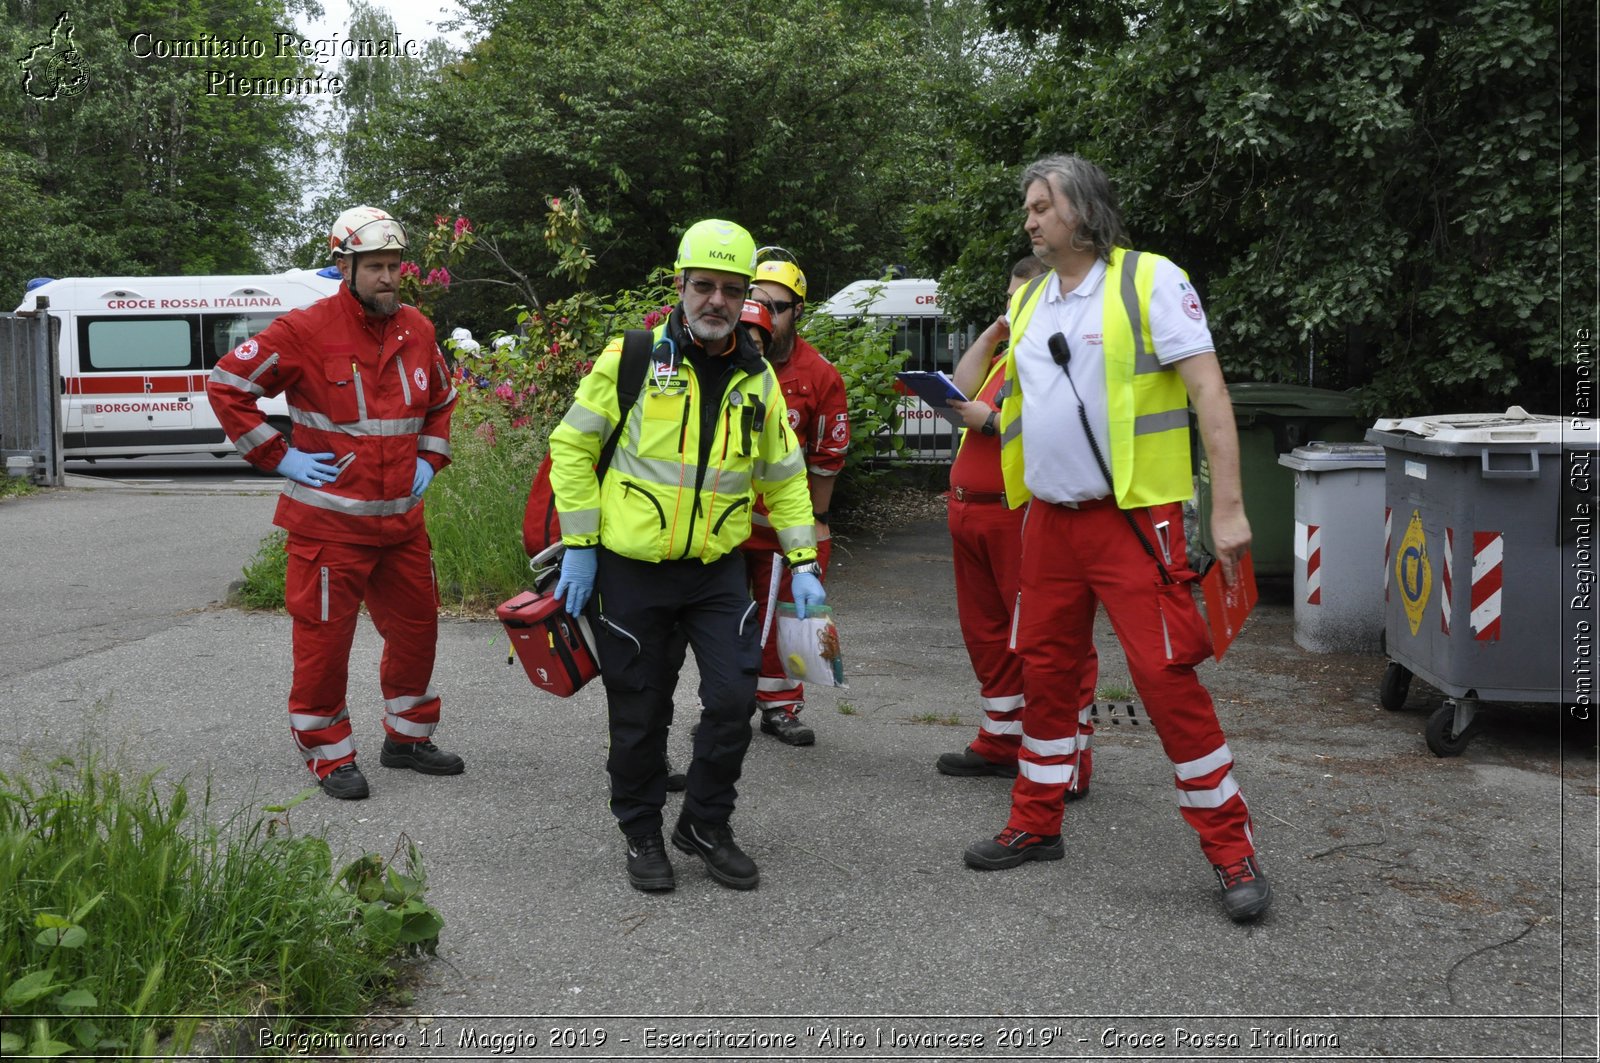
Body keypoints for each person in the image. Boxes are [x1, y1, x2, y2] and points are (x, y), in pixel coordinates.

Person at [963, 154, 1271, 924]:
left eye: (1042, 206)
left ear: (1082, 210)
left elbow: (1208, 389)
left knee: (1166, 682)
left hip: (1134, 521)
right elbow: (1011, 408)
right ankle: (1036, 822)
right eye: (1028, 207)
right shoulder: (1031, 300)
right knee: (1046, 674)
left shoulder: (1150, 280)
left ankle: (1231, 848)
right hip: (1049, 524)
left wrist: (1227, 508)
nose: (1030, 219)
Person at [547, 220, 825, 893]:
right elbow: (572, 449)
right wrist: (581, 547)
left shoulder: (758, 380)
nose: (716, 300)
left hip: (715, 573)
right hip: (631, 569)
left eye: (732, 290)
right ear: (680, 285)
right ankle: (642, 830)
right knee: (639, 710)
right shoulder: (633, 358)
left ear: (745, 299)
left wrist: (805, 559)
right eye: (704, 285)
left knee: (734, 699)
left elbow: (784, 478)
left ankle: (704, 822)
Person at [207, 205, 462, 801]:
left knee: (418, 632)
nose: (389, 278)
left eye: (395, 266)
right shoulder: (304, 329)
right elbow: (227, 386)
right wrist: (279, 456)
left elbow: (442, 401)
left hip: (401, 525)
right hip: (329, 530)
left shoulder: (417, 330)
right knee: (324, 645)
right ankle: (327, 752)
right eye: (375, 266)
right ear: (343, 266)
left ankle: (408, 737)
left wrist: (429, 459)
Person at [938, 257, 1099, 789]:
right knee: (986, 635)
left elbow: (1067, 424)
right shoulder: (1010, 351)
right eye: (1008, 300)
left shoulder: (1062, 357)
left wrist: (993, 424)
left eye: (1021, 300)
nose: (1012, 309)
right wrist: (995, 331)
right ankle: (1002, 739)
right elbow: (959, 391)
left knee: (1048, 637)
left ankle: (1070, 760)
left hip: (1020, 513)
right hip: (971, 511)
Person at [740, 249, 850, 747]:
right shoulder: (728, 360)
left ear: (798, 311)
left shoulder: (820, 375)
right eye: (755, 300)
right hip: (722, 527)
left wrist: (818, 522)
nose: (765, 312)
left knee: (783, 617)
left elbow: (826, 461)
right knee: (724, 621)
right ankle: (726, 703)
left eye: (778, 306)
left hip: (782, 529)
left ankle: (781, 707)